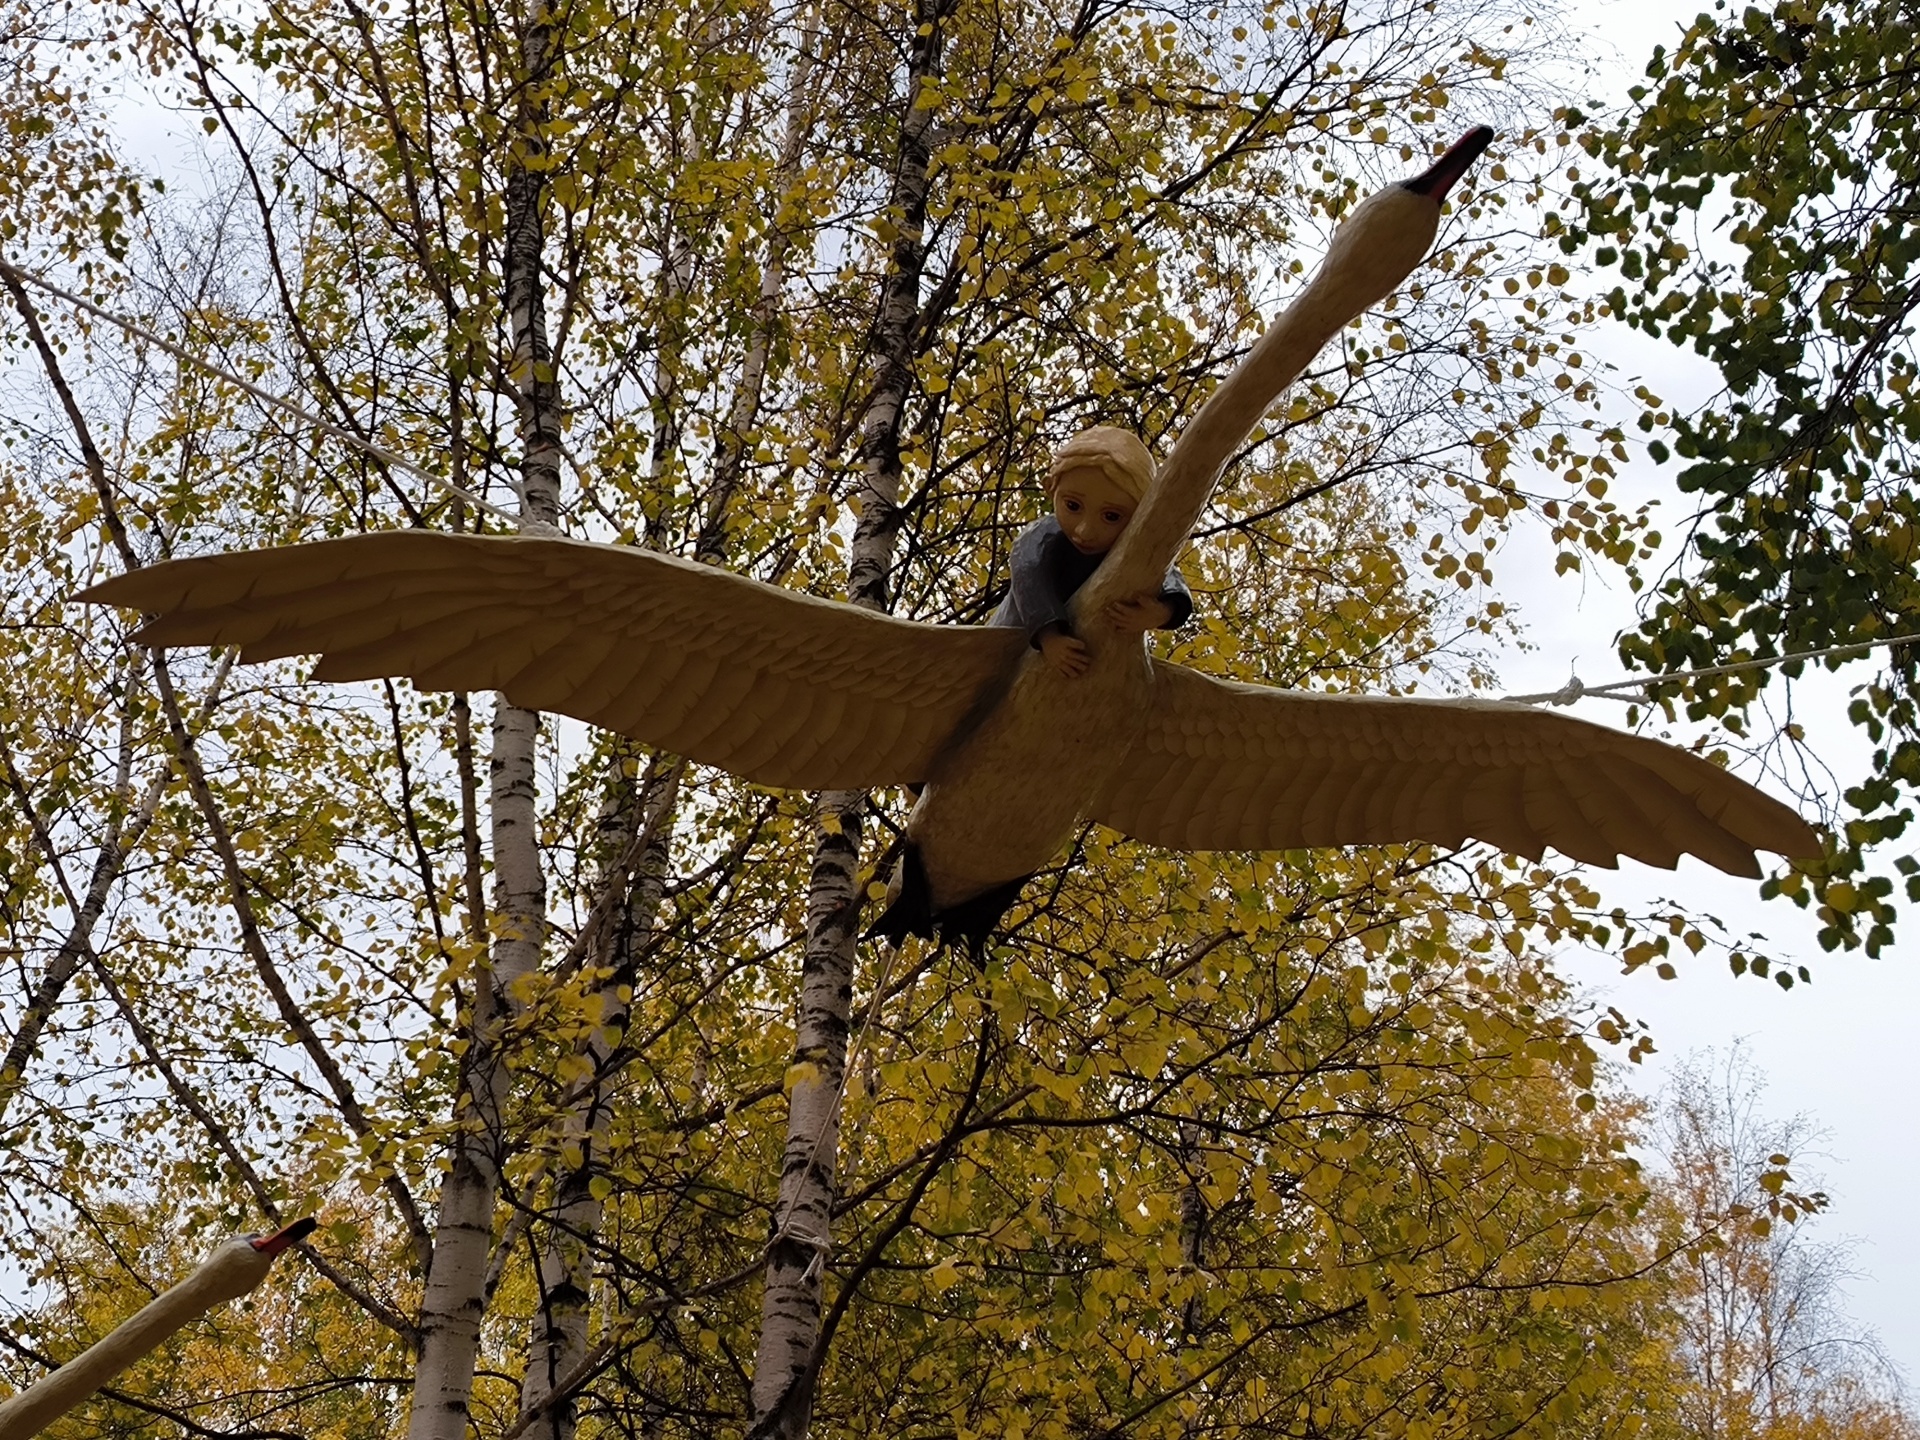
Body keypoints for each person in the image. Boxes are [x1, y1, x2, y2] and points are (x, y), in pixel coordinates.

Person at [990, 425, 1193, 676]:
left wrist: (1163, 612)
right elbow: (1029, 577)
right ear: (1050, 487)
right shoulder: (1040, 537)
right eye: (1073, 506)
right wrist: (1048, 636)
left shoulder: (1130, 549)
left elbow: (1166, 571)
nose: (1085, 531)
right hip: (1009, 644)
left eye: (1111, 516)